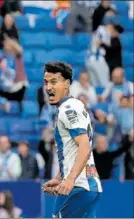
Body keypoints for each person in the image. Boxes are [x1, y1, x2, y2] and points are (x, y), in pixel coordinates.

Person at [41, 62, 102, 218]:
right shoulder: (74, 106)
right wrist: (60, 177)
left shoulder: (68, 109)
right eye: (46, 82)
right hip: (87, 186)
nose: (48, 87)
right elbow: (72, 150)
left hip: (78, 187)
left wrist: (70, 179)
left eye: (54, 82)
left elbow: (84, 145)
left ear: (67, 84)